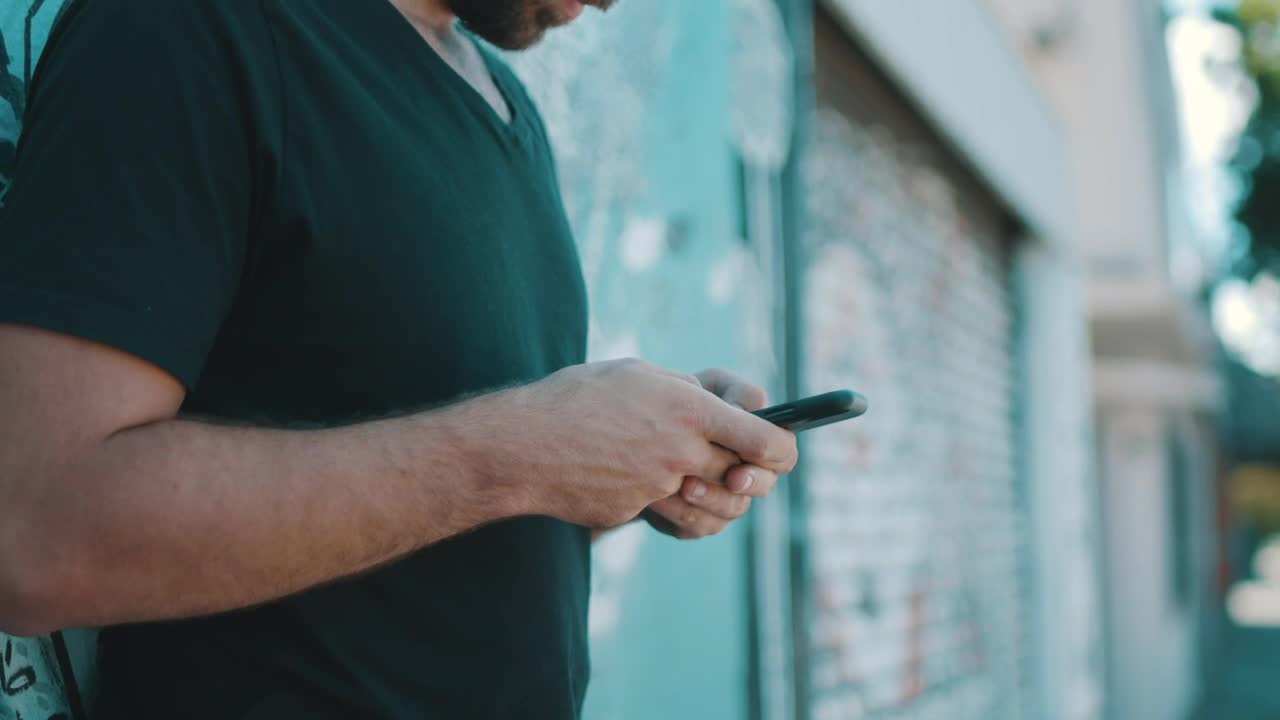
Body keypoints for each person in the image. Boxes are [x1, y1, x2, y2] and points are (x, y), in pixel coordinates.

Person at [0, 0, 799, 717]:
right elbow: (36, 532)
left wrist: (626, 463)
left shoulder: (507, 104)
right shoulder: (193, 27)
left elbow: (426, 507)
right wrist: (522, 453)